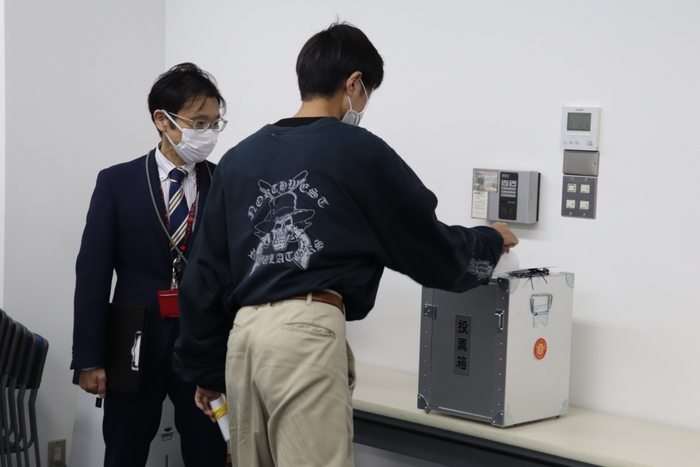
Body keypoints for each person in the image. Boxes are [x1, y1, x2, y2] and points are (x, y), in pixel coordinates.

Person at [173, 23, 519, 467]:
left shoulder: (239, 159)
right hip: (305, 333)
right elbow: (426, 245)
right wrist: (489, 241)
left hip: (243, 339)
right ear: (353, 83)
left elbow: (204, 274)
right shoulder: (358, 152)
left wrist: (204, 370)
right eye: (367, 93)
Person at [71, 62, 229, 467]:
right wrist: (89, 358)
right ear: (162, 120)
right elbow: (92, 274)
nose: (208, 133)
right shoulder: (116, 182)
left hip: (203, 346)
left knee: (209, 451)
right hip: (133, 342)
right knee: (124, 450)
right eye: (198, 122)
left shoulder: (225, 183)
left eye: (214, 123)